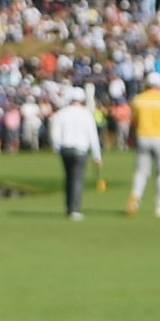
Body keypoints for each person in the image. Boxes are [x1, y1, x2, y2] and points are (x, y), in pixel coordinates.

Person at [124, 71, 160, 218]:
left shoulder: (138, 100)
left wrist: (130, 138)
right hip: (159, 138)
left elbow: (133, 122)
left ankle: (135, 197)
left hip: (142, 137)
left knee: (141, 171)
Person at [49, 85, 100, 220]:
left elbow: (55, 134)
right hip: (81, 150)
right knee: (77, 179)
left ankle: (69, 207)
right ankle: (74, 210)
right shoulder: (86, 113)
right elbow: (93, 136)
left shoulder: (62, 113)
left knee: (68, 178)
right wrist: (97, 156)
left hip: (65, 149)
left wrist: (57, 147)